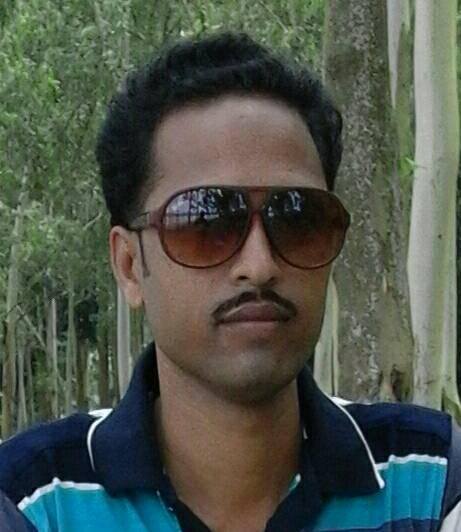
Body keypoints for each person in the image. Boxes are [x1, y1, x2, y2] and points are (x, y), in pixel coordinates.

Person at [0, 32, 460, 532]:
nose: (259, 265)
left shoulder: (429, 483)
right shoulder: (35, 503)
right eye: (205, 222)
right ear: (129, 266)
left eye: (298, 218)